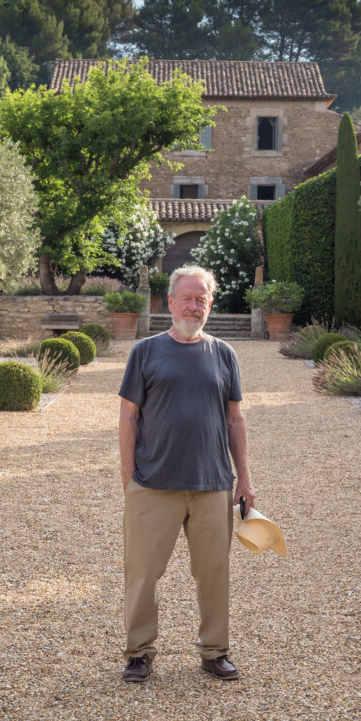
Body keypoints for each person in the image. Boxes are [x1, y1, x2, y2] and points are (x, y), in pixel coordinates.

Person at [117, 264, 255, 683]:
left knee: (214, 573)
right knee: (142, 573)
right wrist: (129, 479)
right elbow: (127, 418)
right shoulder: (146, 351)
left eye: (201, 299)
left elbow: (235, 420)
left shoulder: (225, 355)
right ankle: (139, 653)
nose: (193, 306)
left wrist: (245, 479)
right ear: (170, 301)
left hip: (213, 484)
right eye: (187, 298)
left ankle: (215, 651)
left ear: (209, 305)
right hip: (154, 484)